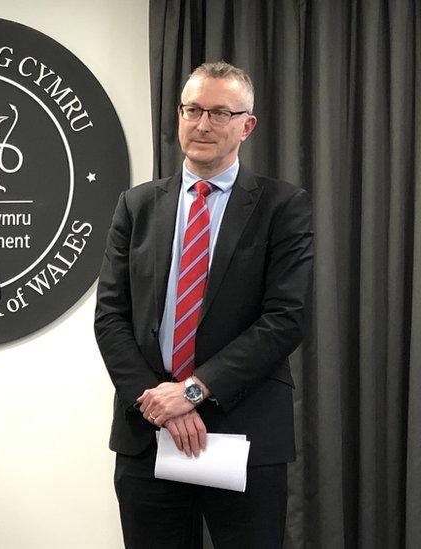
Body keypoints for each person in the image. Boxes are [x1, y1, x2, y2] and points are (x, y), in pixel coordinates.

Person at [93, 61, 313, 547]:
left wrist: (191, 392)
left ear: (246, 125)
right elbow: (111, 316)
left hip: (245, 433)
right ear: (179, 115)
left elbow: (285, 319)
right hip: (149, 431)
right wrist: (160, 403)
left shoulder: (282, 206)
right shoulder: (137, 205)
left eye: (219, 112)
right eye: (193, 110)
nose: (203, 124)